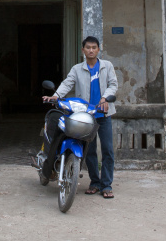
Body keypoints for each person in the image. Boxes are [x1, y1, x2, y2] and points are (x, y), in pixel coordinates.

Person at [42, 36, 118, 199]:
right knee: (88, 151)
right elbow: (67, 83)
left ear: (99, 49)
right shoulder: (77, 69)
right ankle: (95, 183)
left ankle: (106, 185)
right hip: (85, 116)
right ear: (83, 50)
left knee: (107, 150)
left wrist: (105, 98)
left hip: (103, 114)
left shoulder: (107, 66)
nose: (91, 50)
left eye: (94, 47)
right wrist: (55, 96)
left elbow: (113, 85)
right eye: (88, 48)